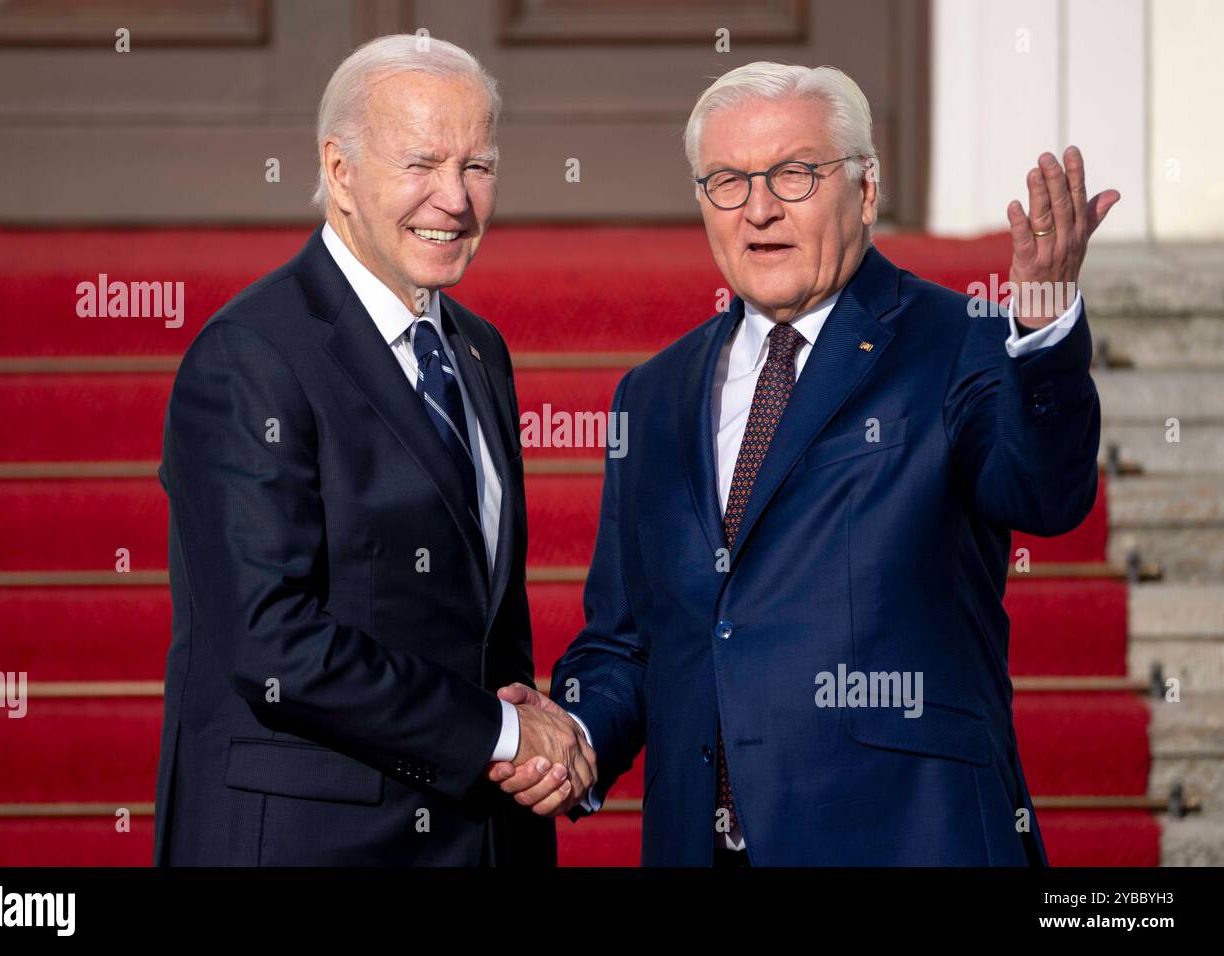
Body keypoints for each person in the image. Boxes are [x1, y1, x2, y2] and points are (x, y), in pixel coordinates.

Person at [490, 62, 1116, 866]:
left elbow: (1046, 492)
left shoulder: (959, 340)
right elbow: (630, 642)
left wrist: (1044, 327)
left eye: (794, 174)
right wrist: (572, 734)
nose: (758, 209)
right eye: (726, 181)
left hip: (911, 838)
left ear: (864, 191)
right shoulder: (650, 395)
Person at [153, 34, 592, 866]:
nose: (455, 200)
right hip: (313, 840)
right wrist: (500, 733)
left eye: (478, 166)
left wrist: (531, 753)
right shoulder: (251, 353)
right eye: (421, 164)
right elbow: (269, 636)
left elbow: (484, 627)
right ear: (341, 170)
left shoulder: (477, 349)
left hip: (479, 838)